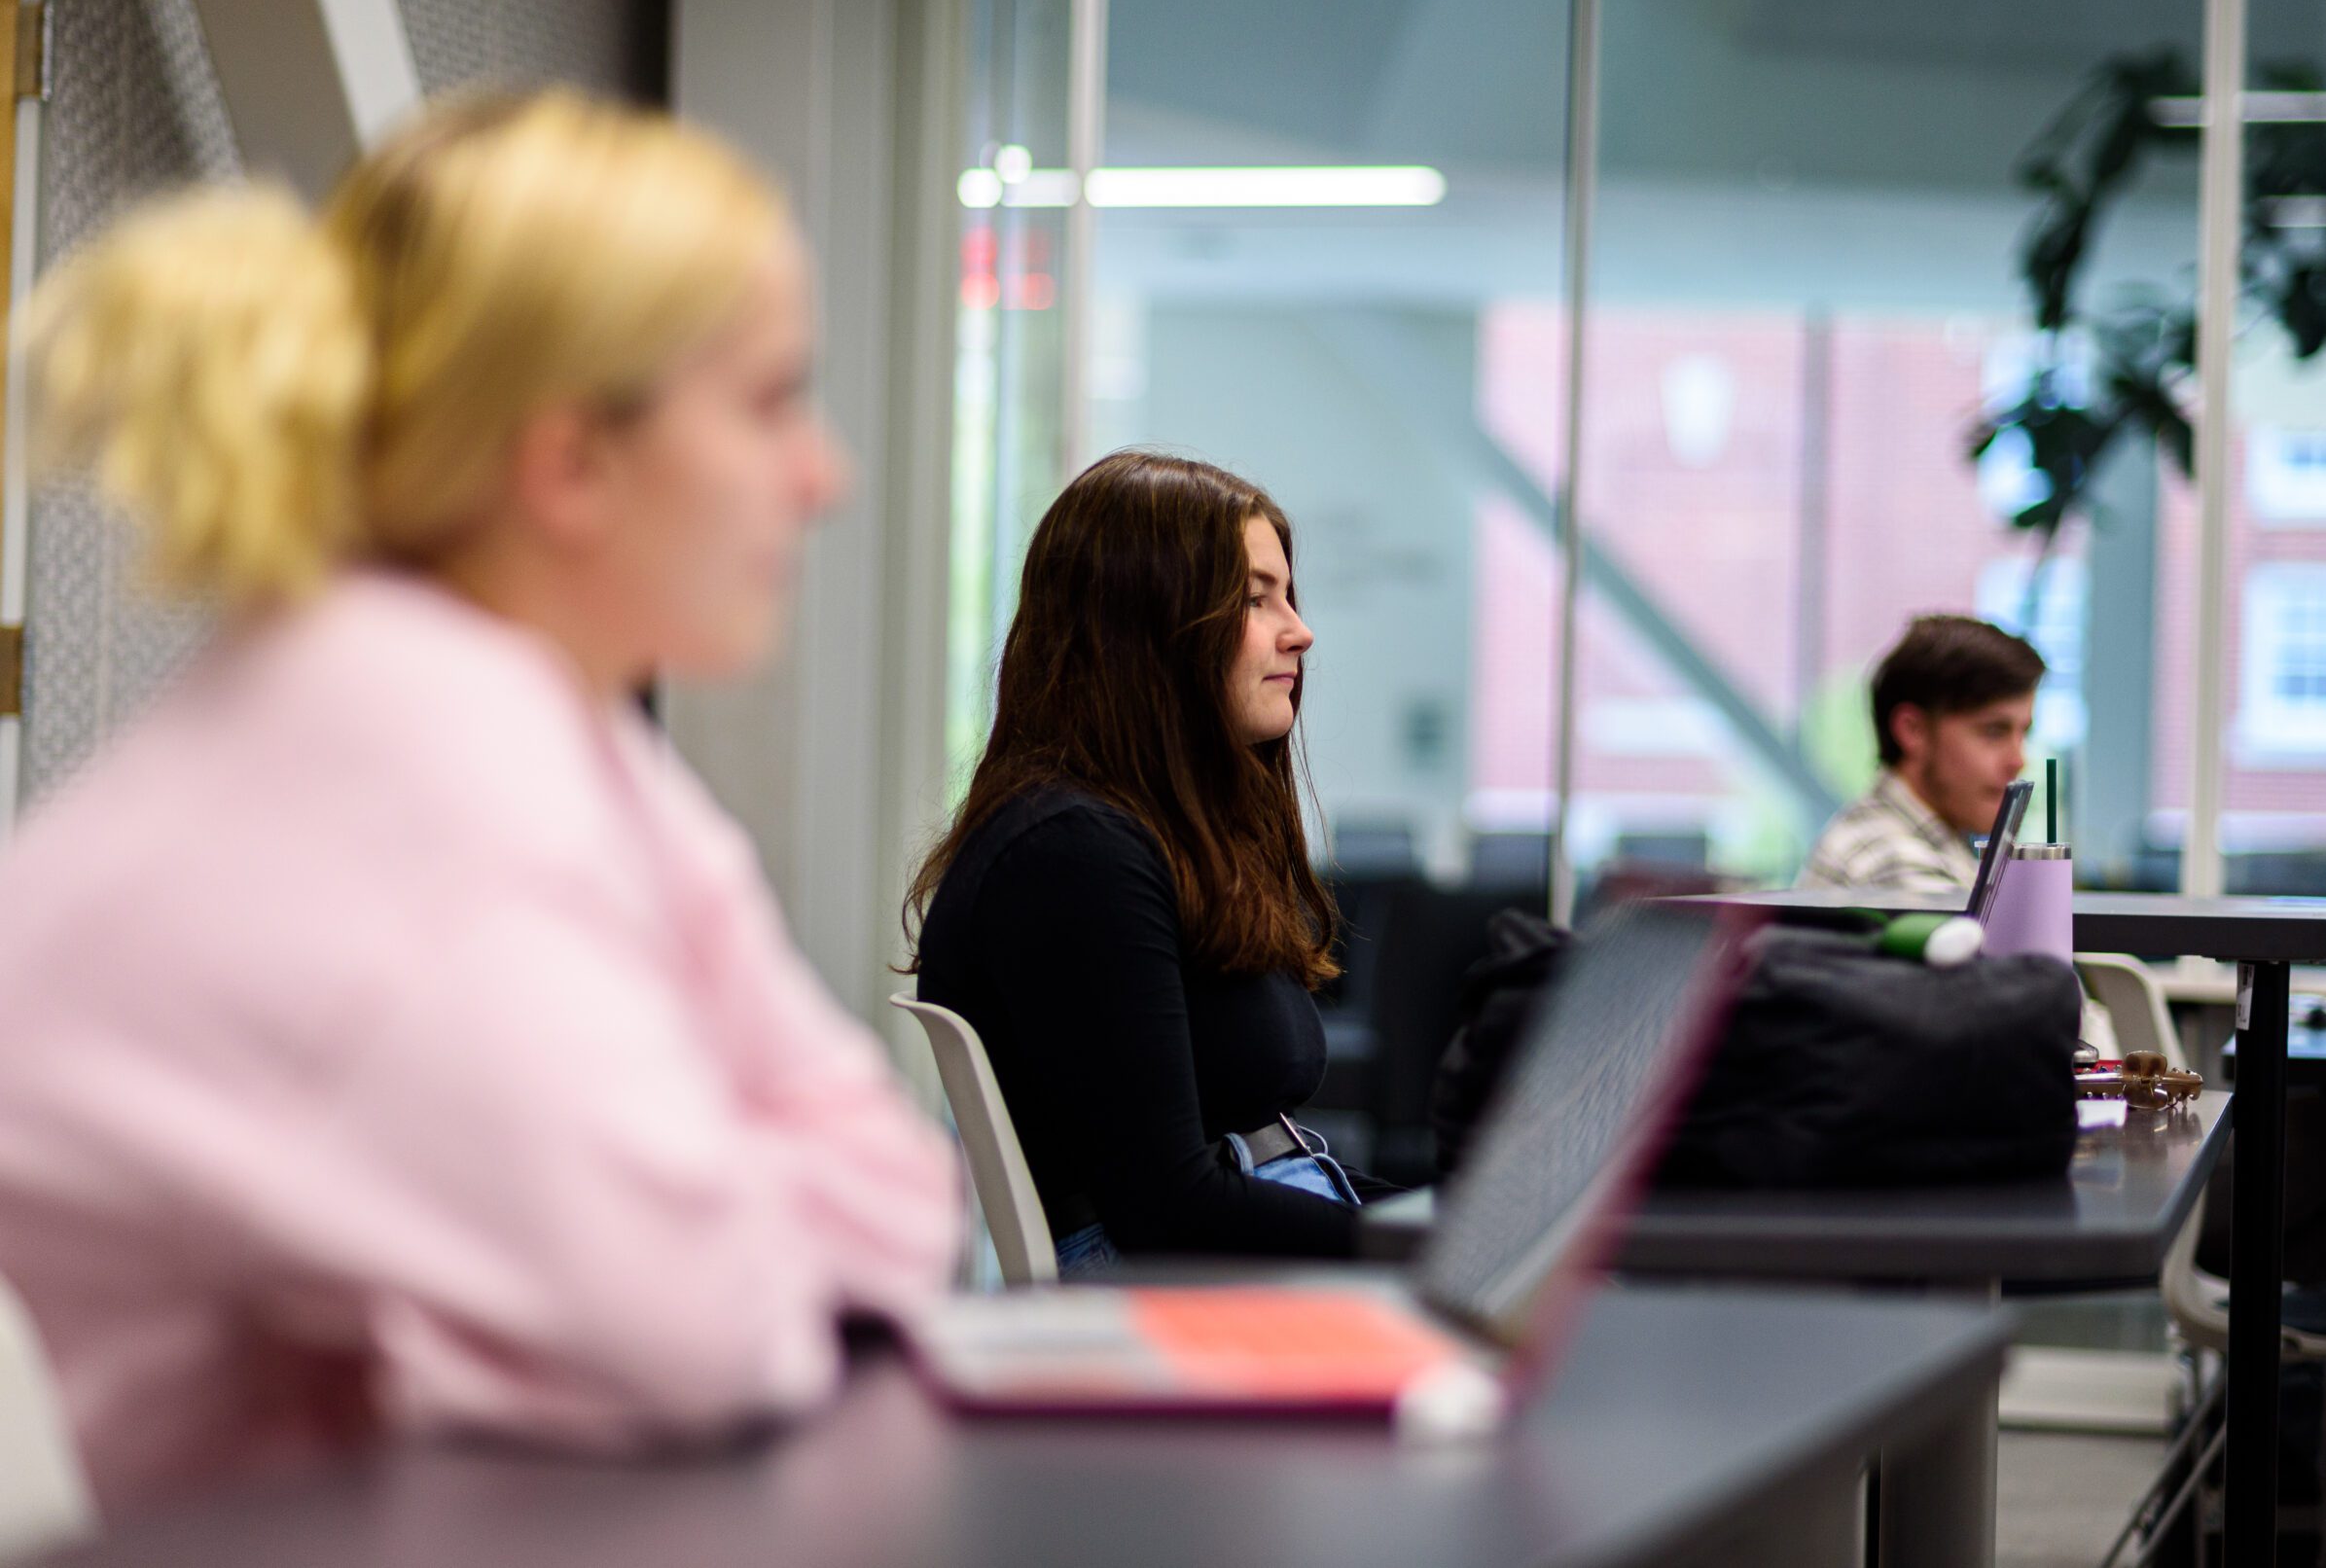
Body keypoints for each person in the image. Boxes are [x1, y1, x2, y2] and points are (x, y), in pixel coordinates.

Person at [0, 91, 960, 1515]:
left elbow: (895, 1187)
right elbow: (714, 1326)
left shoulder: (508, 720)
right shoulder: (421, 777)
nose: (824, 475)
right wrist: (686, 1226)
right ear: (571, 463)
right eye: (768, 402)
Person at [907, 449, 1378, 1274]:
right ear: (1149, 626)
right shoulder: (1072, 856)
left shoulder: (1135, 840)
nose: (1299, 630)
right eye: (1255, 599)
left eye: (1287, 595)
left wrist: (1456, 1226)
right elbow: (1170, 1207)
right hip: (1175, 1296)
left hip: (1232, 1270)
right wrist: (1438, 1249)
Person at [1799, 614, 2043, 892]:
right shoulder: (1895, 863)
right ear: (1913, 730)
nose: (2018, 761)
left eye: (2025, 733)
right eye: (1994, 731)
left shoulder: (1915, 839)